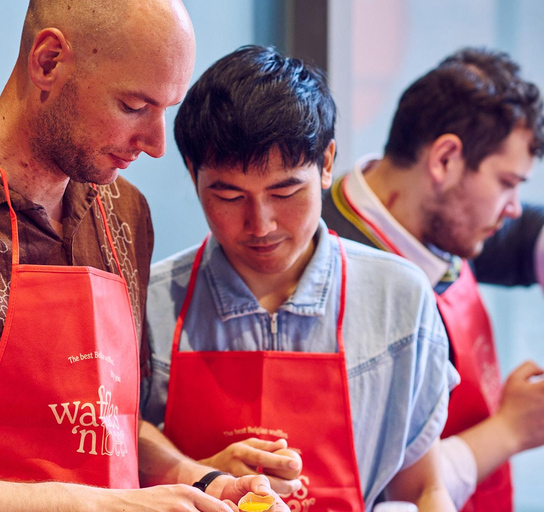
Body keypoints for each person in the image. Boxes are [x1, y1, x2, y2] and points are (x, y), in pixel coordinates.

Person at [0, 2, 290, 511]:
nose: (155, 145)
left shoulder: (122, 210)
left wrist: (201, 481)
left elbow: (107, 422)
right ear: (47, 62)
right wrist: (91, 505)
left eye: (164, 111)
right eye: (133, 106)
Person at [142, 45, 459, 511]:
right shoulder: (149, 303)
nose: (261, 223)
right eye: (229, 196)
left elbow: (423, 488)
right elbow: (120, 447)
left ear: (327, 164)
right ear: (193, 175)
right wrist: (198, 473)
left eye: (285, 190)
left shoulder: (401, 298)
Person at [322, 47, 544, 510]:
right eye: (506, 182)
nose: (513, 206)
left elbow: (527, 236)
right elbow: (370, 483)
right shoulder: (332, 274)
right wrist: (508, 431)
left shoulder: (436, 221)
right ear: (445, 159)